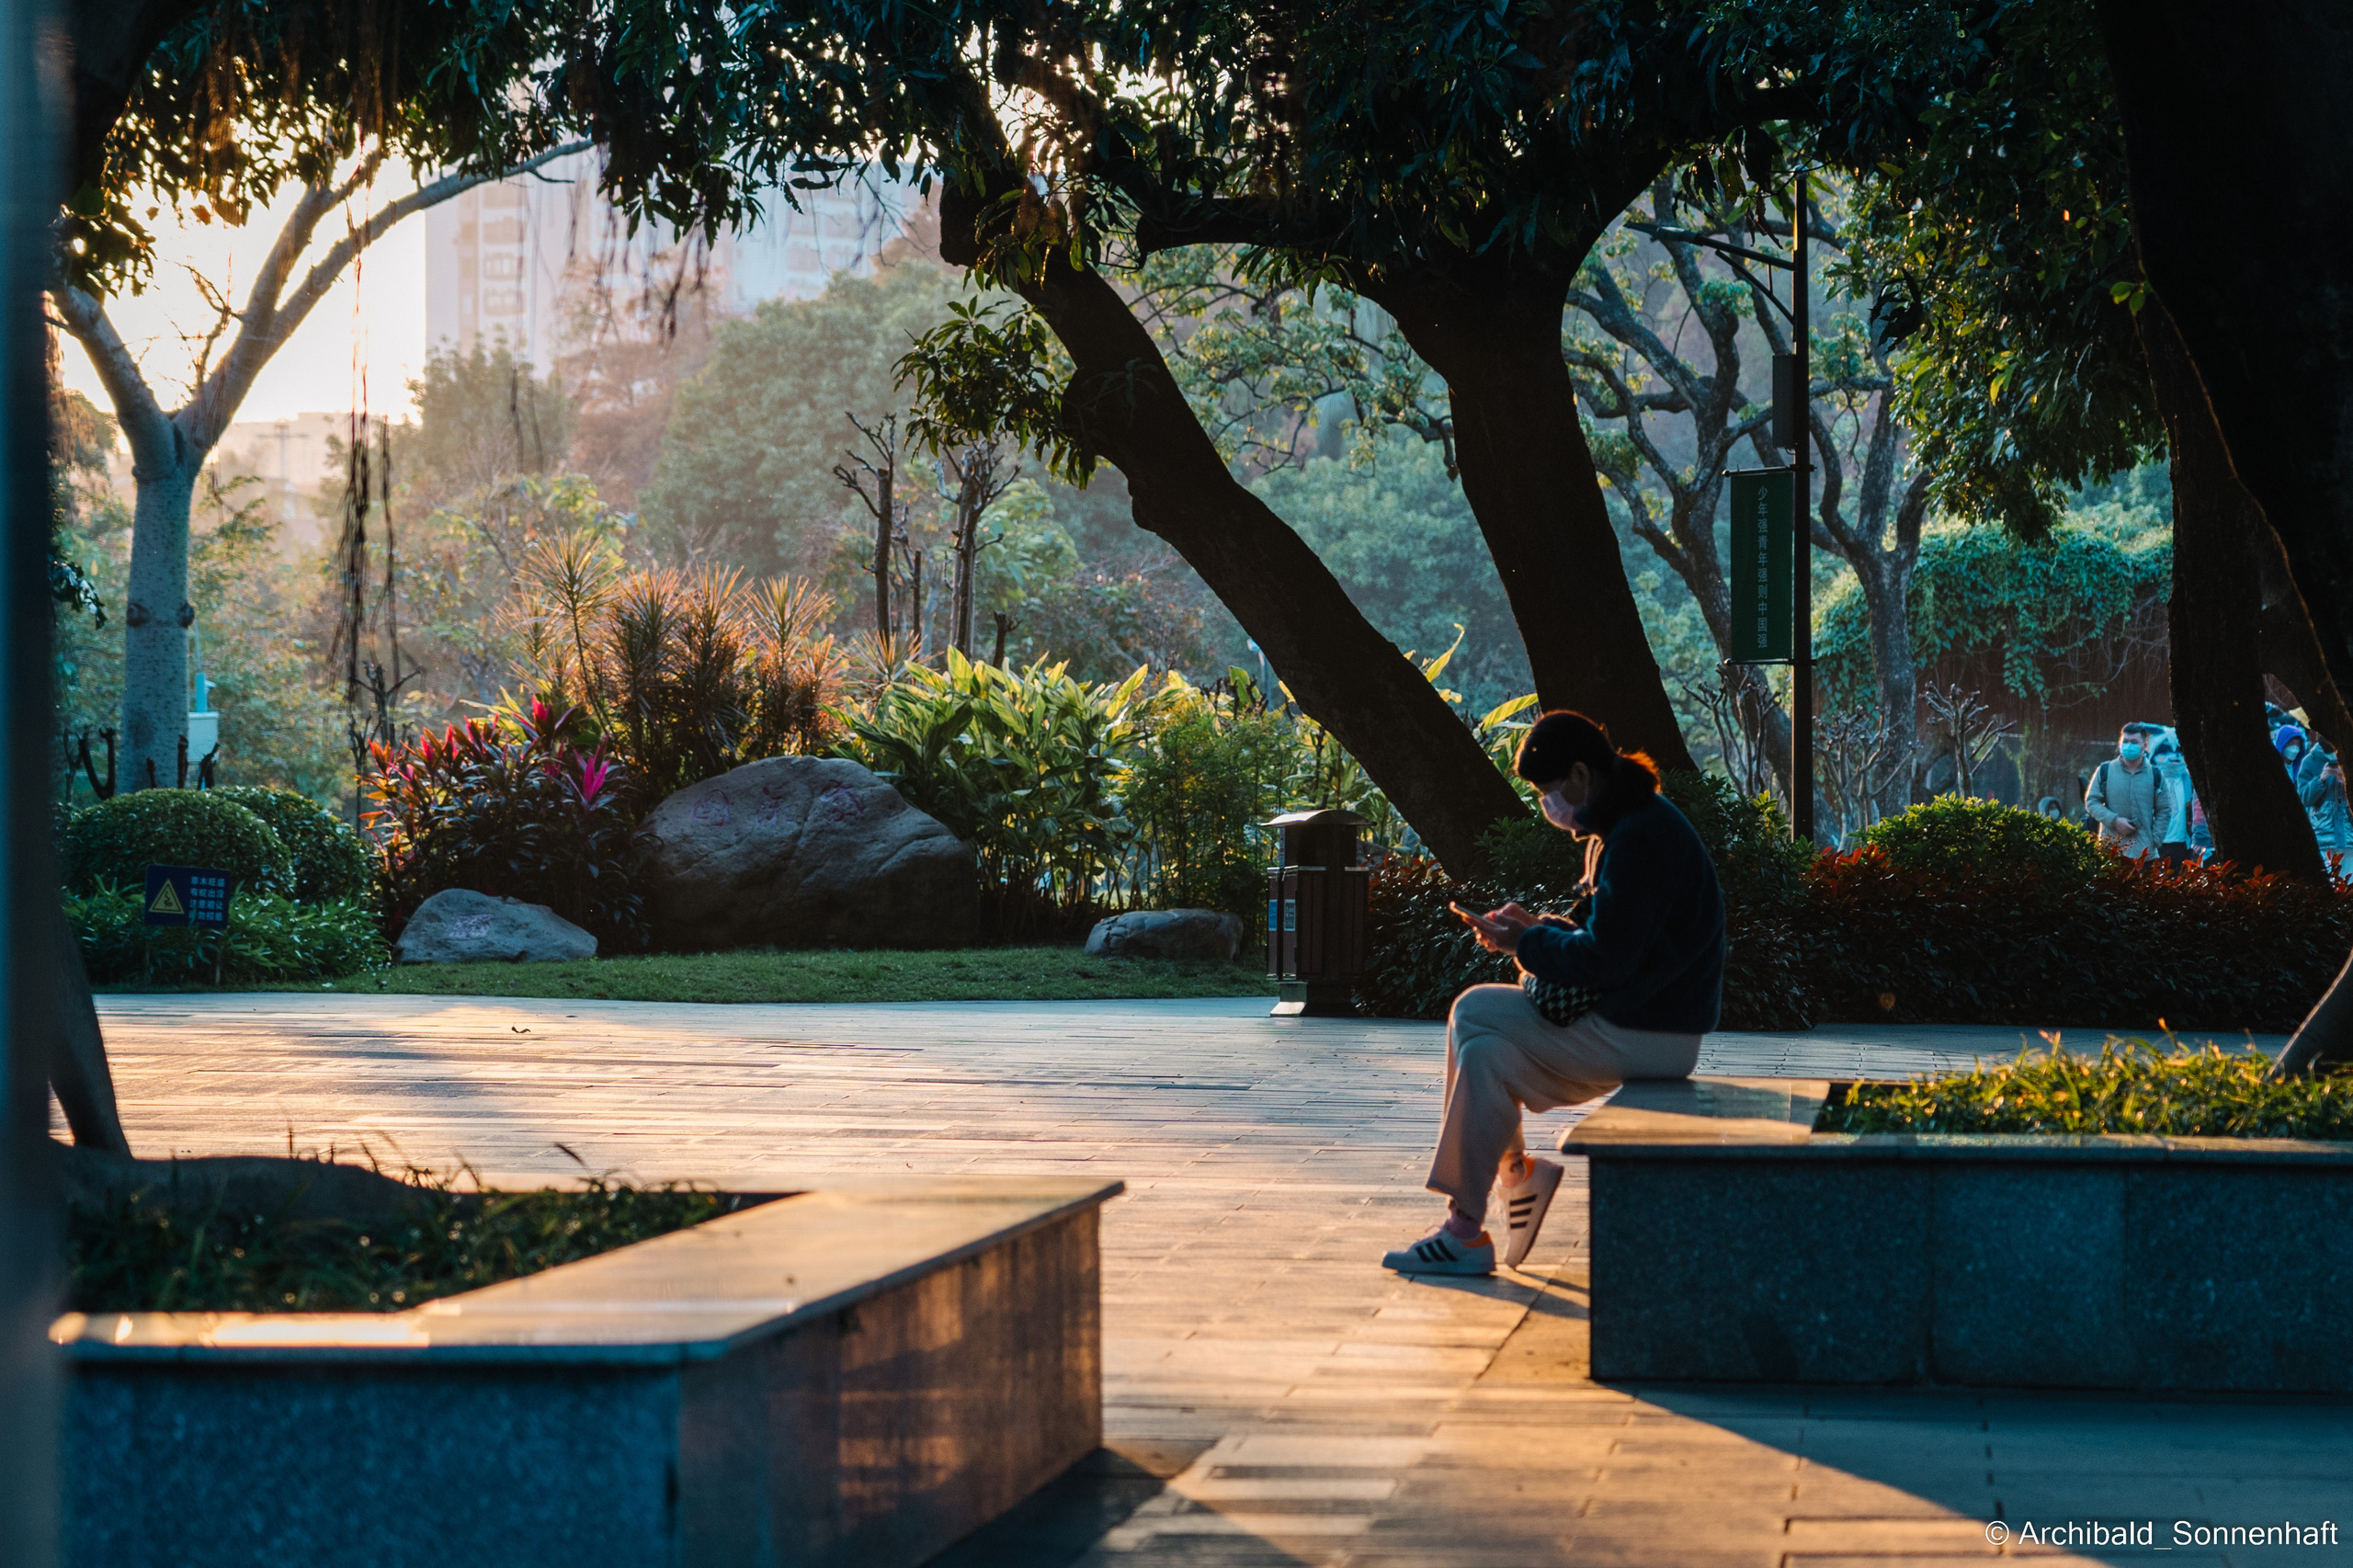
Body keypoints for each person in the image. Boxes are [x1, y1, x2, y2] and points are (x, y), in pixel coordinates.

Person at [1383, 710, 1726, 1277]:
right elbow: (1613, 941)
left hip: (1648, 1032)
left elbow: (1606, 960)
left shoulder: (1639, 837)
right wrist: (1536, 927)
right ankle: (1471, 1226)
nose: (1548, 805)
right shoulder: (1625, 825)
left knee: (1473, 1011)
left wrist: (1527, 942)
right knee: (1486, 1056)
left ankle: (1504, 1189)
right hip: (1645, 1022)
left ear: (1580, 775)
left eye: (1549, 791)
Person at [2083, 723, 2172, 860]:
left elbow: (2164, 809)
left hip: (2145, 854)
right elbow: (2091, 802)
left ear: (2145, 746)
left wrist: (2155, 840)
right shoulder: (2105, 771)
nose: (2128, 746)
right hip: (2111, 852)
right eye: (2125, 741)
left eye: (2134, 742)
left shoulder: (2155, 775)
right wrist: (2114, 821)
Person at [2298, 740, 2351, 878]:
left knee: (2349, 885)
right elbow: (2303, 798)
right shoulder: (2309, 762)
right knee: (2328, 883)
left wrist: (2345, 782)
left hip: (2349, 837)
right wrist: (2320, 780)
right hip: (2323, 837)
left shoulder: (2349, 759)